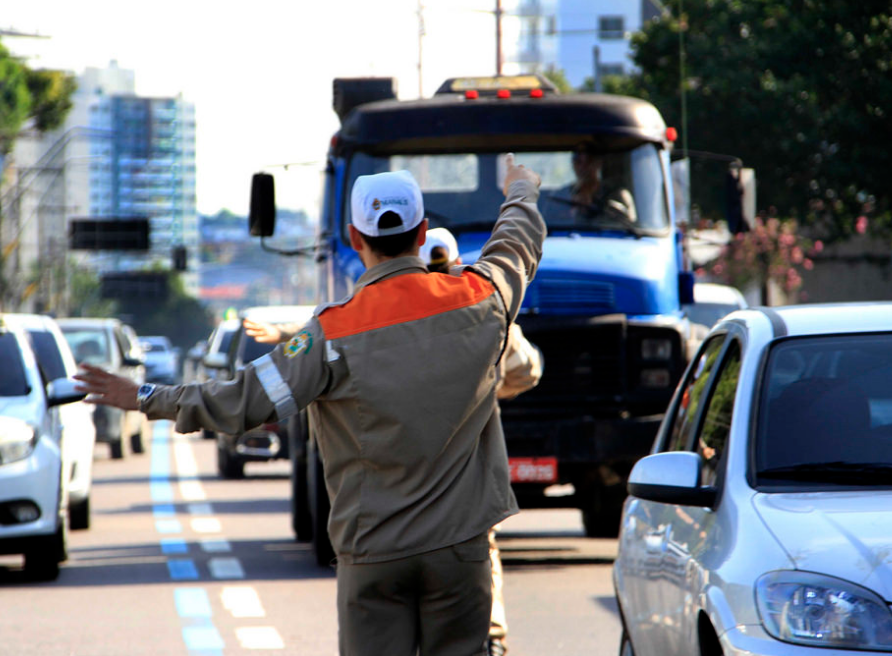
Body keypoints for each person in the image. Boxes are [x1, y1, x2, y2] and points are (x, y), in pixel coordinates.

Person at [74, 158, 545, 656]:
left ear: (354, 238)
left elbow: (240, 402)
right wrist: (521, 191)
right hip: (461, 549)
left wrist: (146, 396)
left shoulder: (329, 333)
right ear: (422, 230)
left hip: (374, 553)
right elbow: (517, 247)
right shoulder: (481, 298)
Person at [553, 142, 636, 222]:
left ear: (598, 163)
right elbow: (551, 221)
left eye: (588, 160)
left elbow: (629, 226)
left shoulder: (617, 195)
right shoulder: (562, 195)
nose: (582, 166)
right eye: (578, 160)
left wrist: (599, 208)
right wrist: (571, 210)